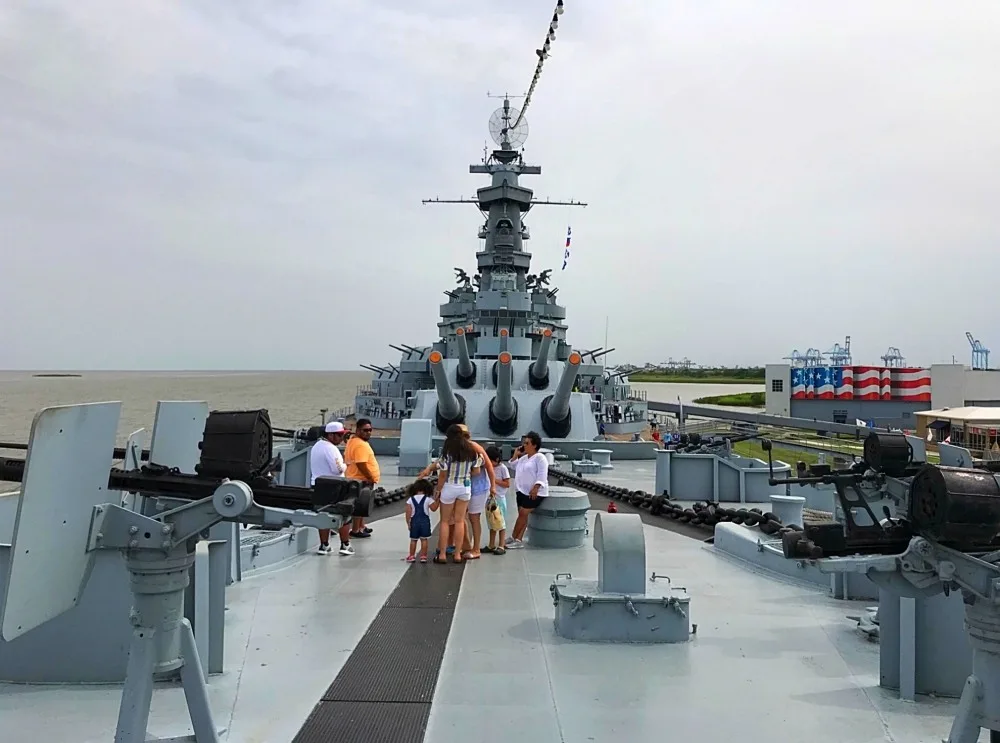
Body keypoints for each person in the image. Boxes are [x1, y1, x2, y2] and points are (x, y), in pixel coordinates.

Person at [432, 424, 482, 564]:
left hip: (449, 487)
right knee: (460, 520)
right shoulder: (471, 451)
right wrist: (466, 475)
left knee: (445, 521)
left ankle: (442, 554)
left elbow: (442, 475)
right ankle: (458, 555)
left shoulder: (447, 452)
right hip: (465, 488)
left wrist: (438, 491)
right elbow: (477, 471)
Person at [309, 420, 353, 556]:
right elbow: (337, 469)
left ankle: (324, 545)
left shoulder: (317, 446)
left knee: (323, 515)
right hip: (334, 486)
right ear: (331, 435)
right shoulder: (331, 448)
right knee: (345, 514)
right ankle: (345, 545)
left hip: (317, 485)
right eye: (340, 435)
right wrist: (346, 464)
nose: (341, 439)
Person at [506, 430, 548, 549]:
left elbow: (542, 474)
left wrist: (536, 487)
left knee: (523, 513)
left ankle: (514, 537)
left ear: (534, 445)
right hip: (522, 491)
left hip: (535, 492)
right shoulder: (524, 458)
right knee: (522, 515)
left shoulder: (540, 458)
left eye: (527, 443)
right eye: (524, 443)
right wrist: (516, 455)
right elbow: (513, 466)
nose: (524, 445)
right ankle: (518, 539)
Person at [459, 424, 495, 560]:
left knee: (474, 518)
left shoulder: (475, 447)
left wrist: (493, 487)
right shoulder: (458, 449)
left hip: (478, 488)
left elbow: (489, 467)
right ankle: (466, 544)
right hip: (465, 488)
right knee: (461, 517)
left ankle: (476, 548)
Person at [345, 418, 379, 539]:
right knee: (360, 506)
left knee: (363, 504)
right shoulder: (360, 445)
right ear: (358, 430)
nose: (368, 432)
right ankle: (355, 530)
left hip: (355, 477)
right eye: (365, 430)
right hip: (361, 479)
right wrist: (370, 477)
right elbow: (361, 464)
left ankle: (361, 526)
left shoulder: (353, 440)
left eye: (370, 430)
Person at [483, 445, 510, 555]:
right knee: (492, 523)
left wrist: (494, 480)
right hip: (490, 499)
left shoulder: (503, 468)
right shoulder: (488, 468)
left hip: (499, 499)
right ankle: (491, 544)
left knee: (501, 522)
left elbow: (507, 484)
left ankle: (501, 545)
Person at [404, 478, 439, 563]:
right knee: (424, 539)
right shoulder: (428, 499)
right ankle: (423, 556)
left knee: (413, 540)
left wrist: (408, 523)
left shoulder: (410, 500)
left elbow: (408, 513)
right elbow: (434, 508)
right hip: (425, 522)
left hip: (414, 522)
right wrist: (437, 500)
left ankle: (411, 556)